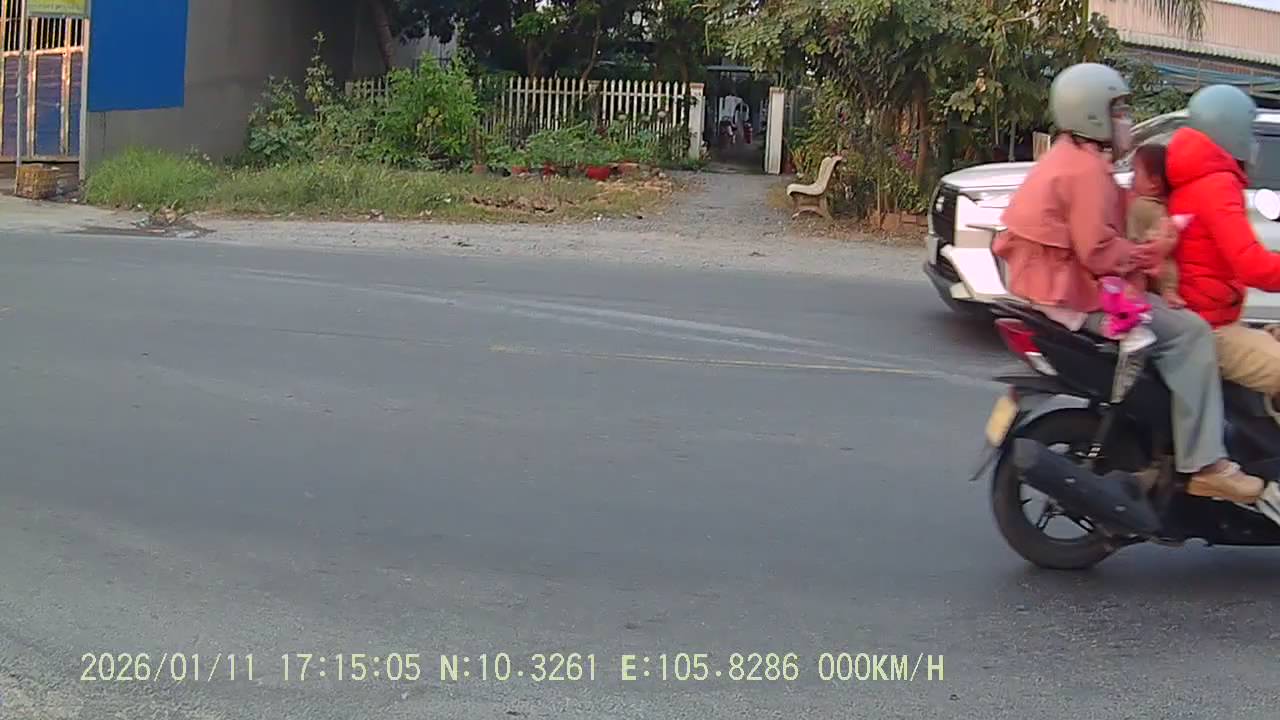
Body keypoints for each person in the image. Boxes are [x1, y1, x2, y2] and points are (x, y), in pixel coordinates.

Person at [992, 63, 1263, 503]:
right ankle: (1205, 463)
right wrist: (1143, 256)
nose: (1126, 121)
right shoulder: (1086, 171)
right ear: (1092, 114)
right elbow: (1098, 251)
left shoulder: (1068, 156)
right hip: (1072, 293)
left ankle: (1165, 444)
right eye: (1117, 111)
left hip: (1051, 287)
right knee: (1191, 334)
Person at [1167, 84, 1280, 415]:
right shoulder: (1217, 184)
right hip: (1211, 328)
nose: (1253, 142)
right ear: (1231, 131)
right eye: (1249, 130)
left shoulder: (1195, 178)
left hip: (1205, 316)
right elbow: (1252, 265)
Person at [1126, 144, 1184, 309]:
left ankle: (1169, 293)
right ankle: (1169, 292)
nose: (1131, 178)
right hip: (1156, 273)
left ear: (1154, 183)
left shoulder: (1143, 206)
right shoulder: (1160, 205)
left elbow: (1139, 237)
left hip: (1144, 270)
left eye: (1135, 173)